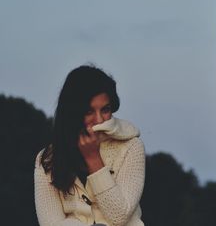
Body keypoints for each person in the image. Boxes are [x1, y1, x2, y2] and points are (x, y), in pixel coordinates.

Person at [34, 65, 145, 226]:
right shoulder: (47, 160)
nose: (99, 120)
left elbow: (120, 216)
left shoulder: (131, 147)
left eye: (105, 109)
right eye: (88, 112)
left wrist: (94, 159)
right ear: (72, 114)